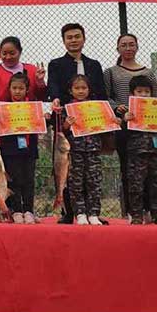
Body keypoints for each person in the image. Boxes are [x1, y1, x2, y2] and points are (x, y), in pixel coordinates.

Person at [47, 24, 107, 223]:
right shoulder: (56, 64)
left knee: (92, 173)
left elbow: (101, 93)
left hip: (92, 126)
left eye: (76, 36)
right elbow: (53, 87)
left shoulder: (94, 65)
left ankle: (93, 213)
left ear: (84, 38)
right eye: (69, 37)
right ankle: (70, 212)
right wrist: (55, 100)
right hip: (68, 123)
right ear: (64, 41)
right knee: (68, 168)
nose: (73, 40)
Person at [103, 33, 157, 219]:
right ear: (117, 48)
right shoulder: (111, 72)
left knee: (153, 172)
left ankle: (151, 210)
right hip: (125, 128)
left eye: (131, 44)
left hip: (147, 128)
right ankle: (131, 211)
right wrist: (117, 108)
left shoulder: (149, 73)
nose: (128, 48)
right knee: (128, 170)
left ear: (137, 47)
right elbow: (106, 98)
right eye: (124, 45)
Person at [123, 75, 157, 225]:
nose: (144, 94)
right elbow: (121, 133)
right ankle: (136, 215)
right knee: (135, 185)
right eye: (139, 91)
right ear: (132, 93)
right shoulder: (128, 112)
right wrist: (124, 121)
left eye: (147, 91)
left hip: (155, 152)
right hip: (136, 153)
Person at [63, 74, 111, 226]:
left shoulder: (97, 107)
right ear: (71, 91)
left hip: (93, 149)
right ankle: (80, 213)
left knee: (94, 182)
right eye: (77, 88)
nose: (81, 91)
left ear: (89, 90)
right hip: (75, 150)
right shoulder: (68, 108)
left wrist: (114, 121)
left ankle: (94, 213)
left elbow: (107, 125)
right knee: (76, 183)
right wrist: (66, 124)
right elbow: (62, 131)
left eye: (84, 88)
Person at [0, 72, 39, 224]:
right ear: (9, 89)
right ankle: (15, 210)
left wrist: (44, 117)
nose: (17, 91)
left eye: (21, 88)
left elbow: (42, 123)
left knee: (28, 180)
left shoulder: (34, 106)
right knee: (13, 180)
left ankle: (28, 210)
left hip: (29, 148)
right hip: (9, 149)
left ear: (27, 90)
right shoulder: (2, 107)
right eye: (14, 88)